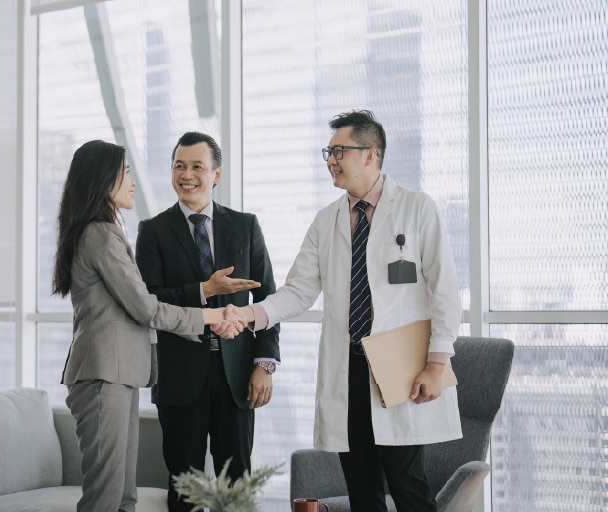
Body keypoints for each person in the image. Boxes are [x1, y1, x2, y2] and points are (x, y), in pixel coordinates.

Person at [234, 110, 462, 511]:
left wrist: (437, 363)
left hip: (400, 368)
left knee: (408, 486)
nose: (330, 160)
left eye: (339, 151)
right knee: (361, 488)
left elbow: (445, 291)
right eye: (328, 151)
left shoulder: (416, 208)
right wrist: (250, 315)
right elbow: (298, 292)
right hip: (349, 368)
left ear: (370, 155)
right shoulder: (327, 221)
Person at [53, 139, 245, 512]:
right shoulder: (100, 234)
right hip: (102, 375)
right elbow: (146, 308)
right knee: (106, 497)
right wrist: (212, 315)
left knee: (125, 496)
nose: (132, 181)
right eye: (125, 172)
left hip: (117, 373)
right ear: (102, 178)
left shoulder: (104, 230)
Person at [134, 131, 280, 512]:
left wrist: (264, 364)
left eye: (197, 166)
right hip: (180, 377)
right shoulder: (152, 232)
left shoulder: (245, 226)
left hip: (237, 376)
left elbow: (269, 301)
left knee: (238, 486)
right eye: (179, 166)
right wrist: (204, 290)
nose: (186, 174)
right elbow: (149, 301)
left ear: (216, 174)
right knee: (185, 489)